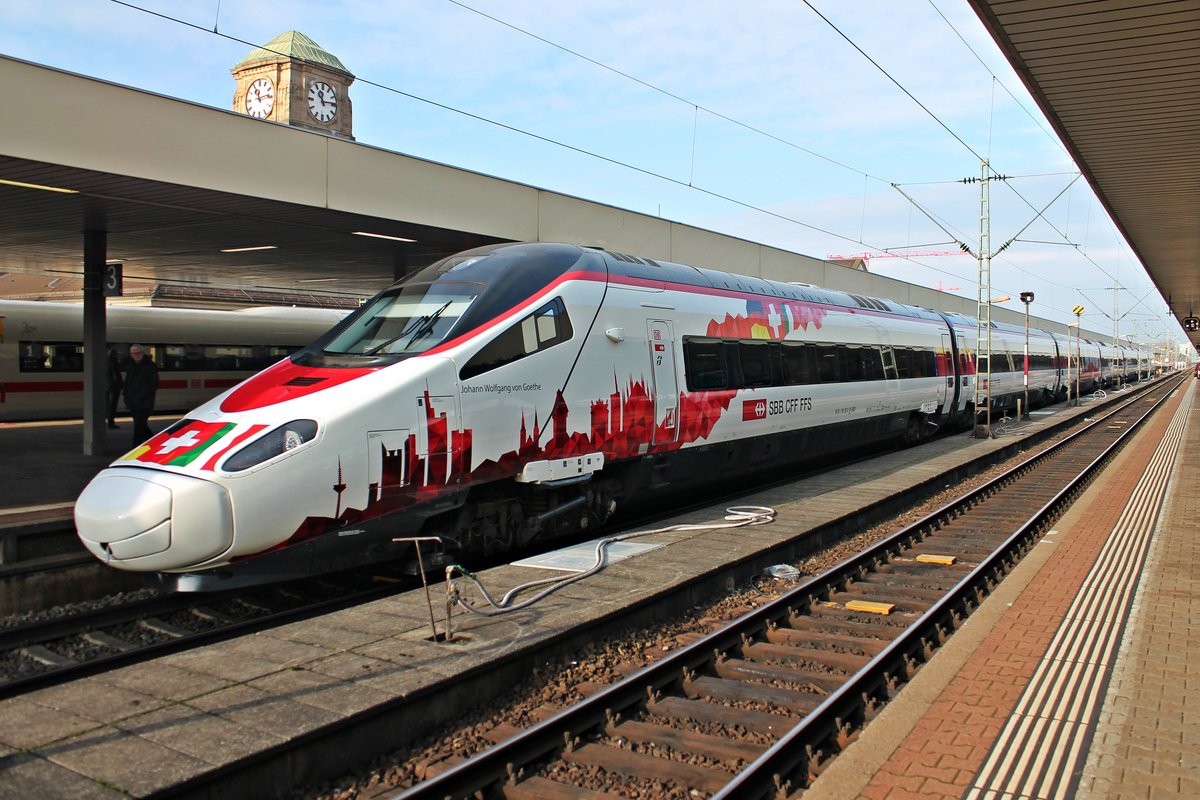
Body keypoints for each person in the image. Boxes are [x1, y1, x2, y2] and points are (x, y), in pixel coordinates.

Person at [123, 344, 159, 445]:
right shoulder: (130, 366)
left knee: (138, 426)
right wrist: (125, 395)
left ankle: (135, 447)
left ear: (142, 353)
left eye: (138, 353)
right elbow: (127, 382)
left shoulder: (150, 366)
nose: (136, 355)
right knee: (141, 426)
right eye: (133, 353)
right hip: (133, 402)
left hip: (145, 403)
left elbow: (154, 384)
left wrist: (140, 396)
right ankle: (155, 444)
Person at [105, 347, 123, 429]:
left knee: (107, 405)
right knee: (112, 405)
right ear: (114, 355)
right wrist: (120, 385)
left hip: (106, 386)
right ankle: (111, 423)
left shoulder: (105, 361)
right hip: (113, 387)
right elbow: (116, 375)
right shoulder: (113, 362)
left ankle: (107, 421)